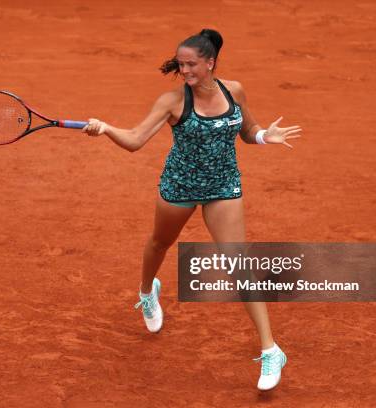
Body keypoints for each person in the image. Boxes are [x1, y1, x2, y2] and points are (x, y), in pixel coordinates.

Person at [82, 28, 301, 391]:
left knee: (239, 265)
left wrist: (265, 137)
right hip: (179, 186)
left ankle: (270, 349)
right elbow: (136, 141)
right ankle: (146, 291)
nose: (184, 71)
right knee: (158, 244)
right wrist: (105, 128)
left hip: (223, 188)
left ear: (210, 62)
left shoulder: (235, 90)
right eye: (181, 65)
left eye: (191, 64)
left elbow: (247, 130)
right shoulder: (172, 101)